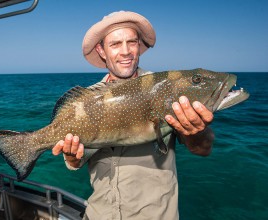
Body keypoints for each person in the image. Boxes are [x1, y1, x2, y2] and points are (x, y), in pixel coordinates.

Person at [52, 11, 214, 220]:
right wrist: (72, 156)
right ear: (101, 50)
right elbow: (75, 163)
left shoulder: (166, 88)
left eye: (132, 42)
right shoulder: (86, 100)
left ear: (139, 46)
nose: (126, 51)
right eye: (115, 44)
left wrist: (197, 132)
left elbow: (202, 148)